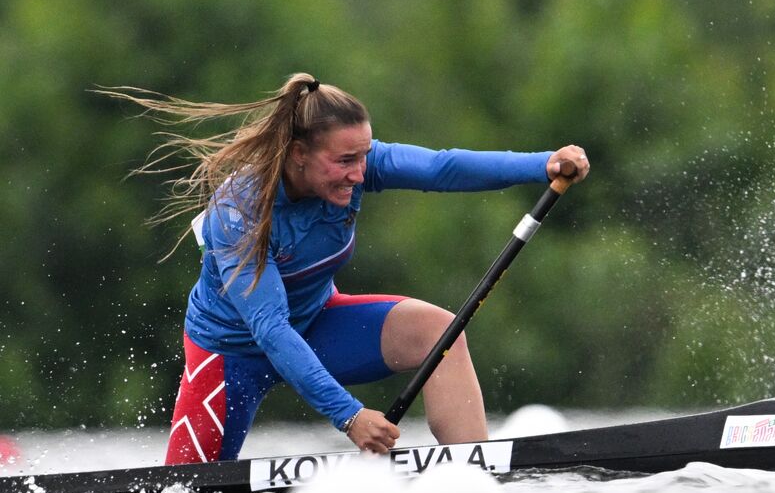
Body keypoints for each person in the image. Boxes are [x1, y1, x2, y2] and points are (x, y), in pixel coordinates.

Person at [105, 73, 587, 464]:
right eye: (345, 160)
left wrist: (542, 163)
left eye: (365, 156)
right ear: (298, 155)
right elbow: (270, 329)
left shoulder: (355, 167)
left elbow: (442, 169)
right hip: (231, 357)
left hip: (317, 324)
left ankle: (476, 468)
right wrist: (350, 417)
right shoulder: (240, 210)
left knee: (438, 331)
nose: (360, 172)